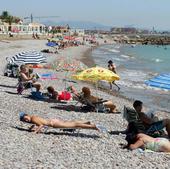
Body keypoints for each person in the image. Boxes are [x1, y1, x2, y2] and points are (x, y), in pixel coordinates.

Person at [19, 112, 105, 134]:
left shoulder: (33, 119)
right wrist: (32, 128)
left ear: (27, 115)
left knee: (74, 125)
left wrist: (35, 131)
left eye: (24, 118)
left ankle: (93, 127)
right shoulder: (33, 117)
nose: (25, 120)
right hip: (53, 120)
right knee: (71, 123)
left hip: (53, 124)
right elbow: (39, 122)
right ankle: (86, 122)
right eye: (24, 120)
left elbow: (41, 125)